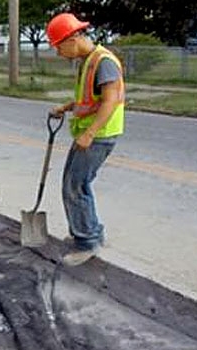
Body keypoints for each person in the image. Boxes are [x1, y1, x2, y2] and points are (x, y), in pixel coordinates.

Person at [46, 13, 125, 266]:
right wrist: (67, 107)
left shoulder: (103, 62)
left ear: (73, 38)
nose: (58, 53)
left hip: (98, 135)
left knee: (75, 186)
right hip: (89, 133)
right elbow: (91, 100)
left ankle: (87, 242)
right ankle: (90, 232)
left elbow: (111, 100)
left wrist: (89, 134)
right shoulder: (88, 61)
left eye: (58, 46)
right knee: (75, 183)